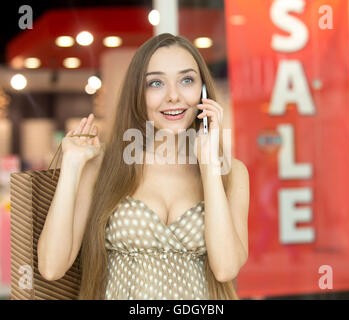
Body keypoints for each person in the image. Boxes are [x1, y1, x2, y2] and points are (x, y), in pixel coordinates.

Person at [37, 33, 250, 300]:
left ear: (203, 92)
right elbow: (51, 267)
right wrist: (71, 166)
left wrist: (208, 165)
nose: (173, 96)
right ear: (138, 92)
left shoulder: (232, 173)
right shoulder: (103, 166)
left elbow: (226, 268)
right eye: (156, 83)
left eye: (186, 80)